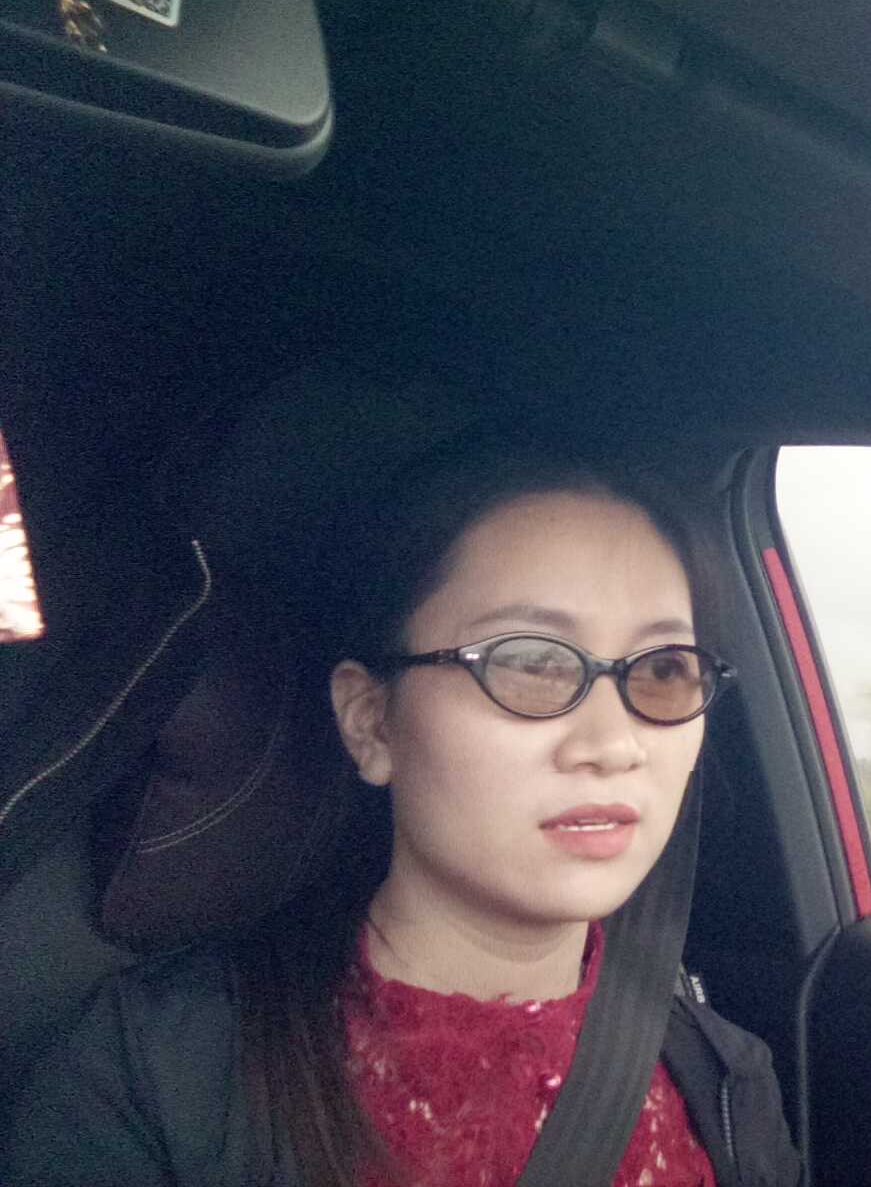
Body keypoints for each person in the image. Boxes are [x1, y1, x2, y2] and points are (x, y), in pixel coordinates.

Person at [1, 435, 802, 1187]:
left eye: (664, 670)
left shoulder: (728, 1078)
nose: (613, 744)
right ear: (371, 723)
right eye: (529, 663)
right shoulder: (151, 1073)